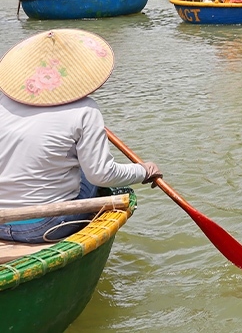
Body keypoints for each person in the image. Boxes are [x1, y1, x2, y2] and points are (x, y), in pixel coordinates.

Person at [0, 29, 162, 243]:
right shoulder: (85, 110)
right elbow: (101, 175)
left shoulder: (3, 102)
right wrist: (144, 170)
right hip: (43, 226)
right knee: (89, 174)